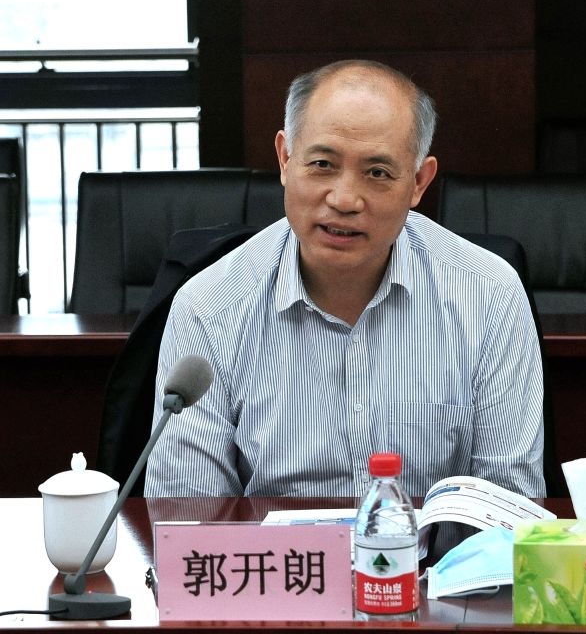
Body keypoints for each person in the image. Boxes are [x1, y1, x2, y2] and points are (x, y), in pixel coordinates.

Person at [144, 59, 545, 499]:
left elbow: (508, 507)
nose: (344, 199)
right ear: (285, 158)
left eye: (377, 173)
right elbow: (189, 513)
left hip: (436, 549)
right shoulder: (207, 307)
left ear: (418, 182)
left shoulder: (489, 296)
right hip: (274, 548)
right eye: (322, 164)